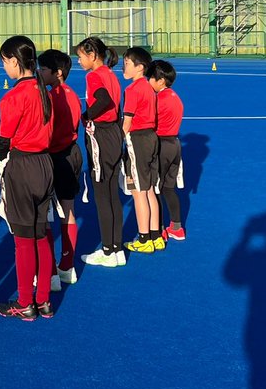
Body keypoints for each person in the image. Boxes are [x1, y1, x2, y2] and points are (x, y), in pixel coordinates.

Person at [0, 35, 55, 320]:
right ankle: (43, 299)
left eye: (5, 62)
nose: (4, 67)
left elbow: (4, 140)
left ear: (15, 62)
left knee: (23, 238)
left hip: (22, 165)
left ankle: (24, 301)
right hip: (45, 163)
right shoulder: (45, 91)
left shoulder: (13, 97)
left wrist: (0, 165)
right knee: (40, 234)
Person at [77, 37, 125, 268]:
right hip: (115, 133)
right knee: (112, 193)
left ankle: (107, 250)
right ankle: (117, 248)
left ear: (93, 55)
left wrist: (86, 116)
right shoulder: (111, 75)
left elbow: (103, 101)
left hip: (102, 136)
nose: (78, 61)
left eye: (81, 56)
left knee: (102, 195)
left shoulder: (94, 76)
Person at [39, 49, 83, 289]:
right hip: (72, 153)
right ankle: (67, 266)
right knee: (68, 211)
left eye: (43, 69)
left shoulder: (51, 97)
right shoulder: (72, 94)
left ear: (57, 73)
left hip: (54, 156)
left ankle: (50, 273)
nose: (39, 72)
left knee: (45, 216)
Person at [122, 46, 161, 254]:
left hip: (137, 140)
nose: (123, 67)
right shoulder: (149, 88)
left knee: (138, 192)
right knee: (149, 189)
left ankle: (144, 238)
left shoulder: (132, 89)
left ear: (140, 67)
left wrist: (115, 143)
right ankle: (156, 236)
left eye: (127, 63)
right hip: (151, 138)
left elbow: (127, 122)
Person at [147, 59, 186, 241]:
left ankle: (159, 228)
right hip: (175, 144)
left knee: (155, 188)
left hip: (161, 144)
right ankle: (176, 227)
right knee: (168, 188)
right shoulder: (175, 97)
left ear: (160, 80)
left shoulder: (158, 99)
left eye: (150, 78)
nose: (148, 82)